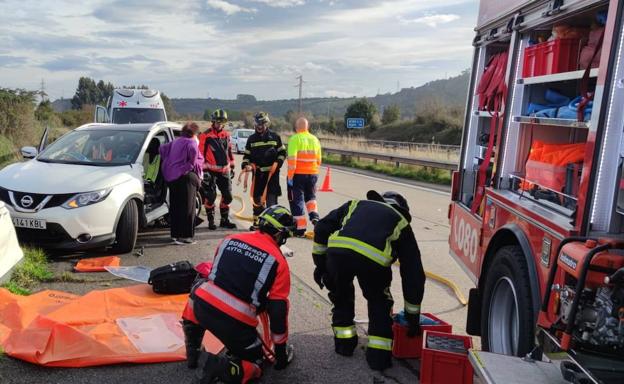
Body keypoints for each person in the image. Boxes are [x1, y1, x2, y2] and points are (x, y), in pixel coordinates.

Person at [181, 205, 296, 383]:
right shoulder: (279, 262)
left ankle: (193, 351)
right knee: (256, 365)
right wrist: (280, 354)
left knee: (201, 287)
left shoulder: (230, 239)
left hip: (200, 307)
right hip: (234, 323)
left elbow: (222, 276)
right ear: (279, 234)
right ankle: (220, 369)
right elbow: (278, 311)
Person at [312, 190, 425, 371]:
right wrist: (412, 316)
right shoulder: (401, 222)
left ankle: (344, 345)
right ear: (401, 208)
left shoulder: (356, 204)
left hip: (338, 255)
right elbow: (413, 273)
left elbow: (322, 227)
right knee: (379, 303)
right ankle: (378, 359)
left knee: (341, 296)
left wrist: (321, 265)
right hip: (374, 263)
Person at [159, 122, 204, 245]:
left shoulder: (176, 141)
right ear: (194, 133)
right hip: (186, 178)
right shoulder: (191, 143)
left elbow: (162, 149)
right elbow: (193, 162)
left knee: (175, 207)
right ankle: (186, 237)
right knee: (188, 208)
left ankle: (175, 235)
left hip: (172, 178)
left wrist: (170, 162)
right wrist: (183, 168)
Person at [241, 112, 287, 230]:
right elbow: (246, 156)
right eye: (257, 124)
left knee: (271, 203)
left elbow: (282, 153)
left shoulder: (275, 137)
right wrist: (246, 165)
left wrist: (278, 163)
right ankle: (257, 224)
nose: (259, 126)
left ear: (266, 124)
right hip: (258, 176)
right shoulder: (251, 139)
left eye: (262, 124)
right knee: (257, 202)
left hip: (272, 177)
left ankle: (271, 227)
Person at [198, 109, 236, 230]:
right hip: (210, 171)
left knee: (228, 196)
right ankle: (211, 220)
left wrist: (233, 166)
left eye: (222, 122)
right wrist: (203, 171)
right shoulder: (205, 135)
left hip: (224, 171)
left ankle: (224, 220)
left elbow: (229, 151)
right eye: (217, 122)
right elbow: (200, 154)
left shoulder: (226, 135)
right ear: (213, 121)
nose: (219, 124)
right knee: (211, 197)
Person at [286, 117, 322, 236]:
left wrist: (290, 177)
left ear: (296, 128)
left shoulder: (294, 139)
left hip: (298, 175)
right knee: (311, 197)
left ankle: (300, 228)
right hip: (312, 173)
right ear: (307, 127)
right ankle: (314, 216)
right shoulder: (315, 139)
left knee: (297, 200)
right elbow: (319, 160)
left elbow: (292, 161)